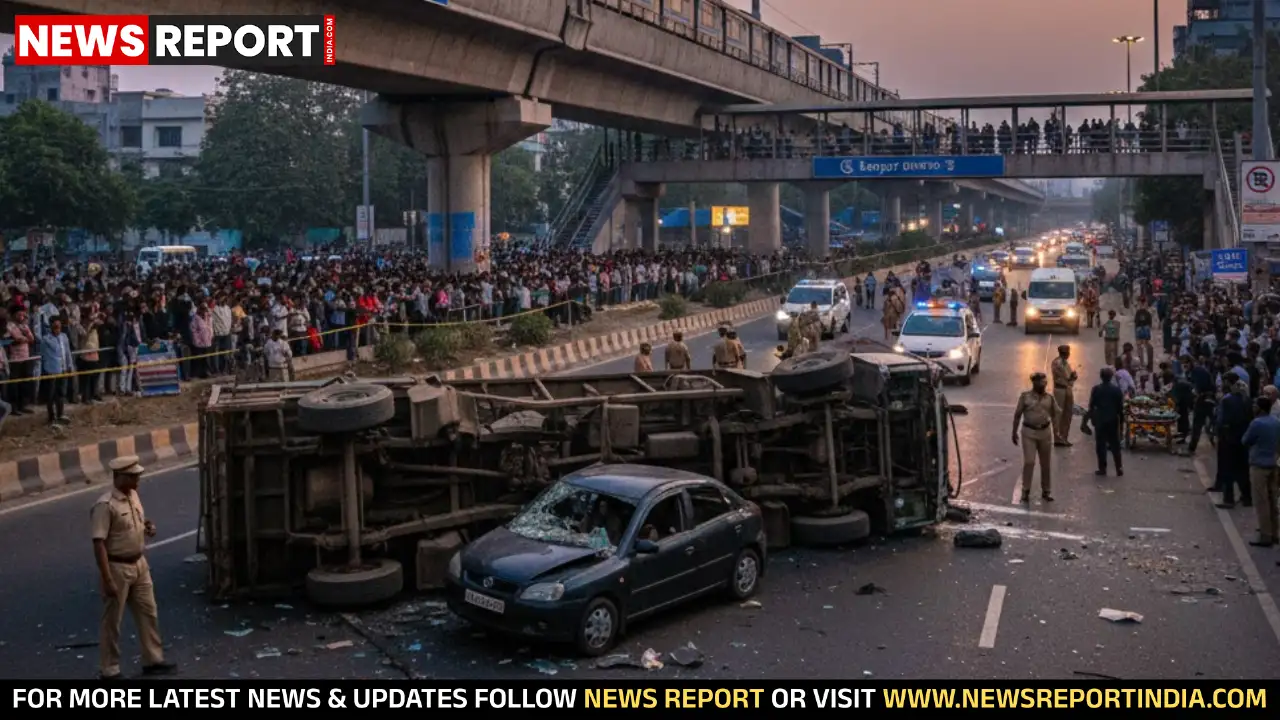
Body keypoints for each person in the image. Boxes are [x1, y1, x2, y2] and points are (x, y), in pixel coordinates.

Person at [91, 455, 177, 679]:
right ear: (119, 477)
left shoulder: (134, 496)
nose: (138, 479)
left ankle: (153, 659)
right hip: (117, 567)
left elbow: (134, 522)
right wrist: (107, 578)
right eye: (132, 476)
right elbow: (99, 543)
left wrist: (147, 526)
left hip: (139, 564)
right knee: (113, 622)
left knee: (148, 612)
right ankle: (110, 669)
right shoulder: (105, 505)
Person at [1012, 371, 1059, 503]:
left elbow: (1055, 415)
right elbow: (1017, 415)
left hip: (1045, 432)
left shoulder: (1049, 398)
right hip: (1029, 432)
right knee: (1029, 462)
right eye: (1041, 382)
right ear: (1034, 383)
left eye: (1045, 382)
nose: (1044, 384)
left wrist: (1056, 433)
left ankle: (1046, 491)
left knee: (1045, 464)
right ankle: (1025, 491)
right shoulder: (1025, 397)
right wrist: (1014, 432)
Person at [1242, 396, 1280, 546]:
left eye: (1255, 405)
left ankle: (1265, 534)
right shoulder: (1276, 422)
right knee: (1272, 500)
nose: (1253, 407)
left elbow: (1245, 440)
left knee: (1261, 501)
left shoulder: (1256, 423)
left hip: (1259, 465)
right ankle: (1275, 532)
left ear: (1261, 408)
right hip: (1273, 464)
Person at [1215, 372, 1253, 509]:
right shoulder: (1246, 399)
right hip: (1243, 438)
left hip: (1228, 438)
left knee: (1227, 470)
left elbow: (1221, 421)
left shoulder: (1226, 400)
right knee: (1242, 469)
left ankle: (1228, 499)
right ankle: (1247, 497)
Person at [1087, 367, 1125, 476]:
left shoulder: (1096, 389)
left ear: (1101, 377)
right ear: (1111, 377)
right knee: (1115, 445)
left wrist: (1091, 419)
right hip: (1113, 419)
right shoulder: (1117, 390)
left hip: (1100, 420)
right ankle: (1119, 467)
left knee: (1101, 445)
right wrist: (1121, 420)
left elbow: (1091, 406)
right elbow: (1120, 407)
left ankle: (1102, 468)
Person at [1050, 345, 1078, 447]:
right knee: (1059, 415)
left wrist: (1073, 377)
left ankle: (1064, 437)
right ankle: (1058, 438)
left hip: (1067, 388)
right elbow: (1066, 376)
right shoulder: (1057, 363)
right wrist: (1072, 376)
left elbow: (1070, 378)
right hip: (1060, 390)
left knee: (1067, 414)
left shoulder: (1065, 363)